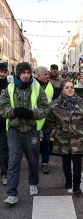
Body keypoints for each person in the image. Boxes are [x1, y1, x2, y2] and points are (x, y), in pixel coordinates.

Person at [0, 62, 48, 205]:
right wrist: (13, 112)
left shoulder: (36, 87)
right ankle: (12, 194)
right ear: (18, 74)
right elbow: (2, 108)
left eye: (28, 73)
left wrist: (32, 114)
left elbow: (45, 108)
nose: (26, 76)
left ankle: (33, 182)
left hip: (31, 130)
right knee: (13, 162)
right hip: (14, 130)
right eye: (23, 73)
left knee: (33, 160)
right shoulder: (9, 89)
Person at [45, 81, 83, 194]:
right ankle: (68, 180)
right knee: (66, 163)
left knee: (77, 164)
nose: (70, 89)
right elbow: (49, 123)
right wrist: (55, 133)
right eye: (67, 87)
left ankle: (76, 186)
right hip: (62, 140)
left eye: (72, 87)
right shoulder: (54, 105)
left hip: (78, 140)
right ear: (62, 90)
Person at [35, 66, 54, 174]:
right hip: (34, 119)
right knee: (34, 143)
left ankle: (45, 163)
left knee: (46, 141)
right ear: (38, 75)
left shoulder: (50, 85)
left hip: (46, 119)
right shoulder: (31, 85)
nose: (48, 76)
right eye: (46, 74)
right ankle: (33, 163)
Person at [0, 62, 9, 186]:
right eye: (0, 71)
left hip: (3, 122)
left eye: (3, 71)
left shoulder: (8, 86)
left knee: (4, 149)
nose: (1, 73)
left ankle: (4, 174)